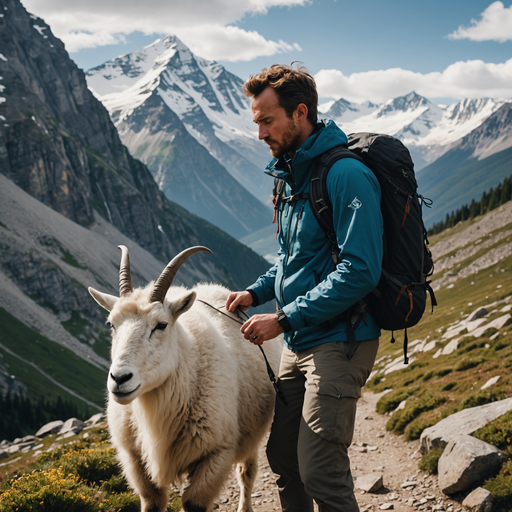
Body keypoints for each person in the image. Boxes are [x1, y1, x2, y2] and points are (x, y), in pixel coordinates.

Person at [225, 64, 383, 512]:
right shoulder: (292, 174)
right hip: (300, 340)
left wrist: (284, 317)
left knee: (320, 470)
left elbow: (360, 269)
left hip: (341, 338)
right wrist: (257, 293)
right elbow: (295, 258)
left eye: (266, 120)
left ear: (299, 114)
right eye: (255, 121)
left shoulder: (344, 175)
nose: (259, 133)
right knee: (283, 458)